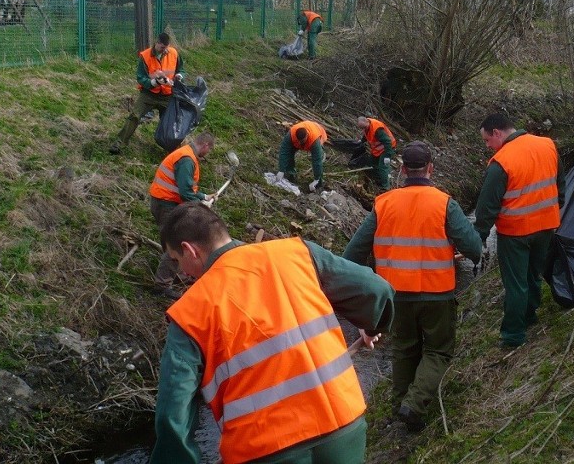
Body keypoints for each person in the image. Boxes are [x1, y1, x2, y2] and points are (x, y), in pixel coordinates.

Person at [150, 202, 395, 464]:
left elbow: (172, 411)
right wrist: (372, 326)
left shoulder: (190, 311)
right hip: (343, 426)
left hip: (265, 449)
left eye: (177, 261)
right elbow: (376, 291)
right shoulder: (296, 253)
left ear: (189, 250)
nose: (183, 273)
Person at [343, 141, 481, 432]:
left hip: (394, 297)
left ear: (403, 169)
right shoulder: (445, 204)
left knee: (404, 350)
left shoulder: (384, 204)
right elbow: (473, 247)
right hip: (437, 294)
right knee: (438, 351)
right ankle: (414, 405)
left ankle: (399, 410)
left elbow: (353, 254)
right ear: (431, 168)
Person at [474, 113, 564, 349]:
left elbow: (486, 208)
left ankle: (513, 334)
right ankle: (530, 315)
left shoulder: (501, 162)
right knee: (533, 275)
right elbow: (560, 186)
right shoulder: (547, 145)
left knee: (516, 284)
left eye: (487, 141)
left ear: (497, 133)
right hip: (546, 226)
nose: (487, 147)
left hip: (515, 232)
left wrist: (478, 238)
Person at [148, 133, 216, 299]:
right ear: (205, 145)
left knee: (173, 242)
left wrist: (203, 196)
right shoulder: (187, 159)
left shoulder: (187, 154)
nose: (208, 153)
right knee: (177, 245)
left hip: (163, 201)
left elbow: (186, 187)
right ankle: (162, 286)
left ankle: (178, 273)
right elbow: (185, 193)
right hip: (166, 205)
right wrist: (201, 207)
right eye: (209, 150)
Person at [110, 32, 184, 154]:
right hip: (149, 94)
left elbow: (181, 70)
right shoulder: (145, 56)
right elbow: (140, 78)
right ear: (157, 43)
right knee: (135, 115)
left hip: (167, 95)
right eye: (162, 48)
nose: (165, 51)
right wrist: (154, 82)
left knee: (171, 122)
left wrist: (179, 76)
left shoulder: (174, 53)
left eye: (167, 48)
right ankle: (119, 143)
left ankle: (175, 151)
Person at [278, 120, 328, 192]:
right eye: (300, 141)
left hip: (318, 131)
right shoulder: (291, 135)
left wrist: (316, 179)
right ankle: (290, 173)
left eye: (303, 141)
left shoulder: (315, 141)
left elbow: (317, 161)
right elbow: (284, 151)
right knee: (290, 151)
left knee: (318, 159)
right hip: (305, 129)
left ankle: (319, 183)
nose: (301, 143)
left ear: (307, 135)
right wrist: (281, 170)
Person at [357, 116, 397, 191]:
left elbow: (388, 141)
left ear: (367, 122)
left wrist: (387, 155)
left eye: (364, 127)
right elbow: (367, 135)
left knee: (383, 167)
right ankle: (378, 180)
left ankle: (385, 187)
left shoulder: (377, 129)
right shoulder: (367, 126)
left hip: (387, 148)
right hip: (378, 150)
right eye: (362, 128)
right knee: (372, 163)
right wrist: (361, 142)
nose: (363, 129)